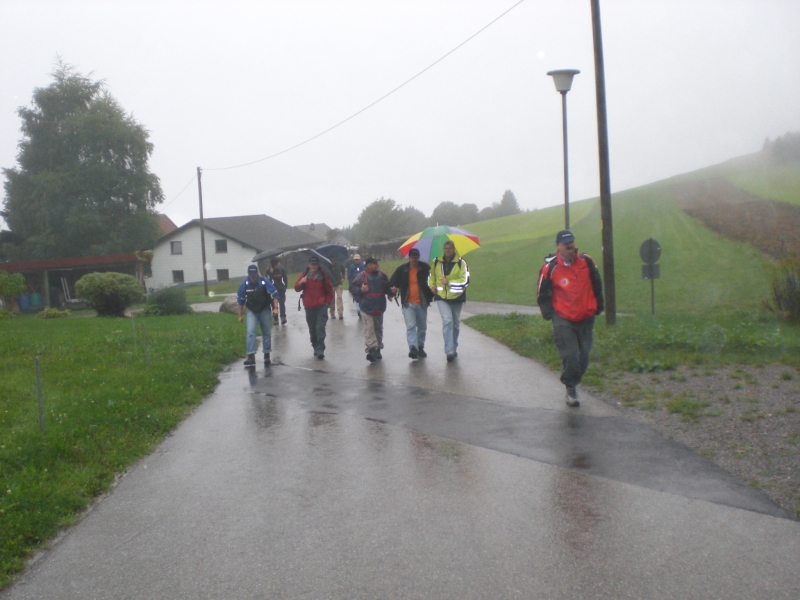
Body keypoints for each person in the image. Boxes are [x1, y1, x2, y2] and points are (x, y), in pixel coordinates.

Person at [536, 230, 604, 408]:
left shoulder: (587, 262)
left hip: (586, 317)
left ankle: (573, 379)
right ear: (558, 246)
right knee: (571, 355)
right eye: (566, 243)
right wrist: (549, 313)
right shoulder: (550, 267)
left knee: (584, 357)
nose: (570, 246)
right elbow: (542, 293)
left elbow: (597, 283)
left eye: (571, 242)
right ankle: (570, 388)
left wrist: (599, 305)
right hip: (563, 318)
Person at [429, 240, 469, 362]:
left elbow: (465, 281)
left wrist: (450, 283)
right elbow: (432, 277)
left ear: (454, 249)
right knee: (447, 321)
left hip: (457, 297)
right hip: (442, 297)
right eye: (445, 248)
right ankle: (449, 351)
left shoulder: (461, 263)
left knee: (455, 324)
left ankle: (454, 346)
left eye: (450, 248)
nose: (447, 250)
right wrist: (432, 286)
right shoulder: (436, 261)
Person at [389, 248, 433, 359]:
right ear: (409, 257)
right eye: (412, 257)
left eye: (416, 257)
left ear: (419, 257)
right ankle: (413, 348)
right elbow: (393, 282)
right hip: (408, 303)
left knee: (422, 327)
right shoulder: (402, 269)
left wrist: (432, 294)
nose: (414, 259)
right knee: (411, 326)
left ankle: (420, 347)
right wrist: (392, 290)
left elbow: (432, 282)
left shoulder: (425, 268)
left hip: (422, 303)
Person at [237, 264, 280, 366]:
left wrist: (275, 308)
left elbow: (275, 294)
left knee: (266, 333)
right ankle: (251, 356)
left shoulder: (264, 281)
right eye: (251, 275)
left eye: (254, 274)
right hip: (252, 310)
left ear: (257, 273)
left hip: (264, 309)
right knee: (251, 332)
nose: (253, 277)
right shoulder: (245, 284)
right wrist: (240, 315)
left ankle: (267, 355)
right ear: (248, 274)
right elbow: (240, 300)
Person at [294, 256, 334, 359]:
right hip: (309, 307)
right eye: (312, 264)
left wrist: (326, 304)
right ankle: (315, 346)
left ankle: (320, 349)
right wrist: (301, 282)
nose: (314, 266)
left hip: (321, 307)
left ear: (318, 265)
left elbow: (330, 292)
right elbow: (296, 288)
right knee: (312, 329)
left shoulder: (324, 276)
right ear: (309, 265)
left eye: (315, 264)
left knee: (320, 328)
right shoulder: (304, 276)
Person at [356, 257, 395, 362]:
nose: (377, 264)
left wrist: (391, 293)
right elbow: (353, 289)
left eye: (377, 262)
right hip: (366, 307)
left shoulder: (382, 275)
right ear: (368, 265)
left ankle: (377, 349)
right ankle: (372, 349)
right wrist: (361, 290)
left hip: (379, 306)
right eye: (374, 263)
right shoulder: (361, 276)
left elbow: (388, 287)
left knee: (378, 328)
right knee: (369, 328)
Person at [266, 257, 288, 325]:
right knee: (273, 305)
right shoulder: (269, 271)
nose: (280, 264)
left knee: (282, 303)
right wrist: (270, 273)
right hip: (273, 290)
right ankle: (275, 319)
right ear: (275, 264)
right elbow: (266, 280)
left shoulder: (281, 270)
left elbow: (285, 278)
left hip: (281, 289)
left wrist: (285, 287)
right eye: (278, 263)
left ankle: (283, 317)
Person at [346, 253, 365, 318]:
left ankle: (362, 309)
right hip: (355, 285)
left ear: (360, 259)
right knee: (356, 298)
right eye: (355, 259)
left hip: (362, 284)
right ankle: (358, 310)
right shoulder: (351, 267)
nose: (356, 260)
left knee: (363, 297)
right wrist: (352, 283)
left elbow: (365, 274)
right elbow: (349, 276)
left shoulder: (363, 266)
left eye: (358, 259)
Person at [328, 255, 346, 320]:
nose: (333, 260)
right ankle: (332, 312)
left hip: (339, 284)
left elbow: (343, 271)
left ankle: (340, 313)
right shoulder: (328, 266)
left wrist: (343, 278)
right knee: (332, 299)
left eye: (335, 258)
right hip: (331, 284)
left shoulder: (340, 265)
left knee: (339, 297)